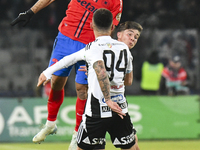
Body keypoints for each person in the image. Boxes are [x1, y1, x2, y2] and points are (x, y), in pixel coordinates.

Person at [11, 0, 123, 146]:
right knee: (56, 82)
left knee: (82, 90)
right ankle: (50, 125)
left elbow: (111, 26)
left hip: (89, 44)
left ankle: (77, 134)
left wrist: (102, 48)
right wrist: (30, 12)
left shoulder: (116, 2)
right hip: (65, 38)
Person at [37, 8, 138, 150]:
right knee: (133, 147)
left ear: (91, 25)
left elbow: (69, 60)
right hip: (120, 108)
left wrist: (47, 72)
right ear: (112, 27)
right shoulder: (124, 48)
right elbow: (128, 81)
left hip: (97, 111)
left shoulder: (92, 47)